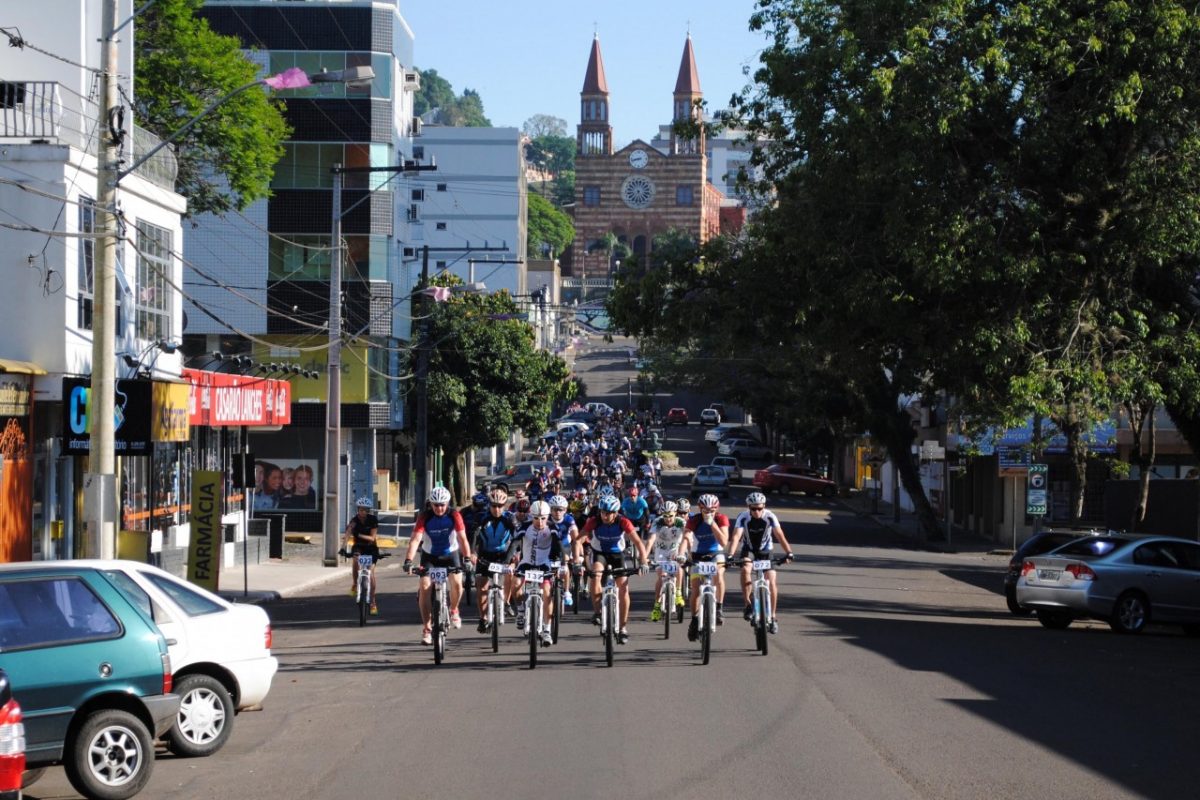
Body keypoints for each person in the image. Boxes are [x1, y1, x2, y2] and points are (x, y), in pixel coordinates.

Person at [573, 494, 648, 645]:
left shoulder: (623, 521)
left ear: (615, 513)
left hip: (616, 554)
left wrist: (644, 561)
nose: (605, 516)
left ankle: (622, 628)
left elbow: (638, 542)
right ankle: (598, 612)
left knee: (624, 589)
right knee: (595, 575)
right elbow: (578, 541)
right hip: (599, 553)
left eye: (608, 513)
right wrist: (576, 561)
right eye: (603, 512)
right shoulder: (595, 521)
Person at [403, 486, 472, 645]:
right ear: (430, 504)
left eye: (442, 504)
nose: (439, 508)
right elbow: (415, 540)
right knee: (425, 586)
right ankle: (427, 628)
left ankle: (454, 610)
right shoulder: (424, 517)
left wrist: (467, 558)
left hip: (451, 554)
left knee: (457, 583)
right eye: (436, 505)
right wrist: (408, 561)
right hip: (430, 556)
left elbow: (462, 539)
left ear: (447, 503)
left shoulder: (454, 515)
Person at [728, 492, 794, 634]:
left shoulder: (770, 516)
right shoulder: (743, 517)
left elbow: (779, 534)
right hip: (749, 550)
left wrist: (789, 552)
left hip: (766, 551)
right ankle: (748, 605)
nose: (757, 512)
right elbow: (736, 537)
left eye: (760, 508)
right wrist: (730, 555)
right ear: (749, 508)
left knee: (771, 581)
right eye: (753, 509)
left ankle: (773, 617)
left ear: (764, 506)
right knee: (745, 570)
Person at [512, 500, 564, 647]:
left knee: (547, 592)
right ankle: (521, 611)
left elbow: (558, 544)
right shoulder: (525, 527)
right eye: (536, 518)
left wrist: (563, 562)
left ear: (547, 517)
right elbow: (515, 543)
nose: (540, 522)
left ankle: (546, 629)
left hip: (544, 564)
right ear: (531, 517)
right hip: (527, 562)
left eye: (543, 518)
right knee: (515, 584)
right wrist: (506, 561)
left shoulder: (552, 527)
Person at [683, 493, 730, 641]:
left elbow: (723, 542)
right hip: (698, 555)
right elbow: (686, 537)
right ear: (700, 509)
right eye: (706, 510)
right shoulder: (694, 520)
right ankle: (695, 619)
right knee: (696, 587)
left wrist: (713, 524)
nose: (709, 513)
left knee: (719, 573)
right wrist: (680, 554)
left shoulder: (721, 519)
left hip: (715, 553)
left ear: (717, 509)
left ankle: (719, 607)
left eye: (712, 510)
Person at [471, 488, 518, 632]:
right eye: (493, 506)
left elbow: (517, 538)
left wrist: (513, 557)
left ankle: (506, 601)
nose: (496, 509)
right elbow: (474, 536)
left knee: (510, 575)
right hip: (485, 554)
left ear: (504, 506)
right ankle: (483, 618)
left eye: (500, 506)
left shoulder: (510, 518)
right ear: (489, 505)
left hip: (504, 554)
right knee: (481, 586)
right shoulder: (482, 517)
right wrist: (473, 552)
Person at [645, 500, 686, 622]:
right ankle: (657, 606)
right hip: (661, 551)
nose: (668, 519)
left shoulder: (681, 522)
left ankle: (678, 593)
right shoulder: (657, 522)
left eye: (671, 516)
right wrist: (644, 558)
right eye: (665, 516)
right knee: (661, 576)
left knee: (679, 568)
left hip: (675, 550)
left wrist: (686, 554)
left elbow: (687, 538)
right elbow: (651, 540)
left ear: (675, 514)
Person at [344, 496, 381, 615]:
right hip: (358, 546)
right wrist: (342, 547)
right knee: (355, 560)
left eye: (365, 510)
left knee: (370, 573)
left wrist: (358, 534)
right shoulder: (354, 520)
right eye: (361, 510)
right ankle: (355, 584)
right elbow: (348, 533)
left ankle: (373, 602)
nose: (363, 512)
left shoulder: (373, 520)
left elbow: (372, 538)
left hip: (371, 548)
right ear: (358, 509)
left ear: (368, 511)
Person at [546, 494, 579, 609]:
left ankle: (566, 591)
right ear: (551, 510)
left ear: (565, 510)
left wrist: (576, 557)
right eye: (555, 509)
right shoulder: (546, 519)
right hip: (549, 547)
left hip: (565, 546)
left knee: (565, 566)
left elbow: (576, 538)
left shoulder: (569, 519)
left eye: (560, 509)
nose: (557, 512)